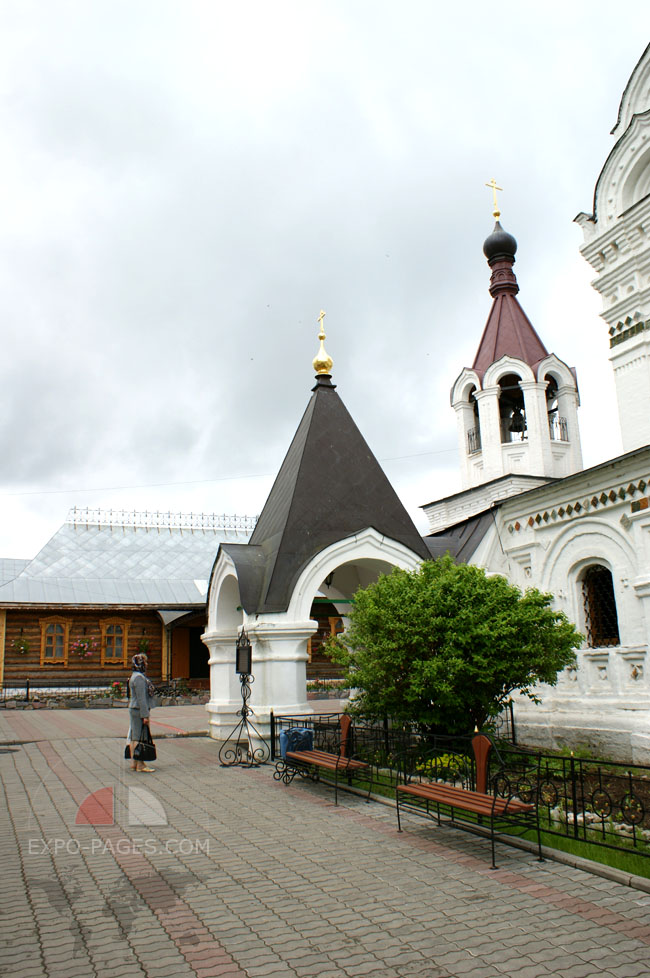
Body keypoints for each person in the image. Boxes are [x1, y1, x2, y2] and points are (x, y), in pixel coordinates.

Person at [128, 653, 155, 772]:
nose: (147, 664)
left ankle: (134, 763)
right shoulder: (139, 678)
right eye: (145, 662)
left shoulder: (135, 676)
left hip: (134, 708)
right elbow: (141, 698)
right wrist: (145, 715)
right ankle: (140, 764)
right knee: (139, 737)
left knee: (135, 736)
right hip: (138, 709)